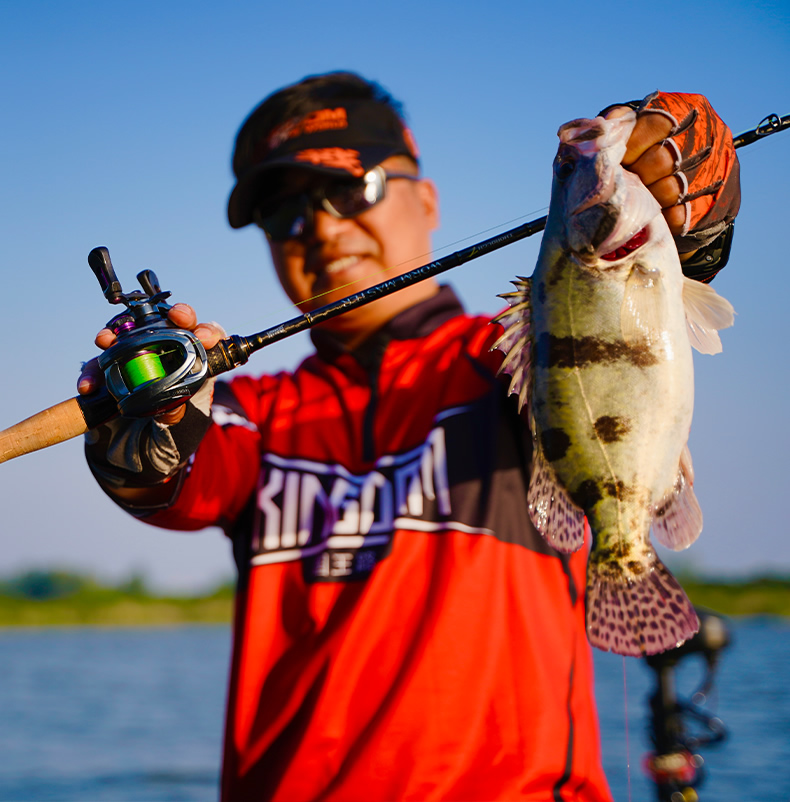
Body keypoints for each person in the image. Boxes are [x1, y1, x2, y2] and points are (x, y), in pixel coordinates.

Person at [77, 72, 740, 802]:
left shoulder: (507, 363)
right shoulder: (256, 414)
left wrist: (691, 226)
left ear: (426, 200)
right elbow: (175, 480)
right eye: (282, 212)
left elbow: (623, 326)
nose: (319, 227)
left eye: (349, 190)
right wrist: (147, 423)